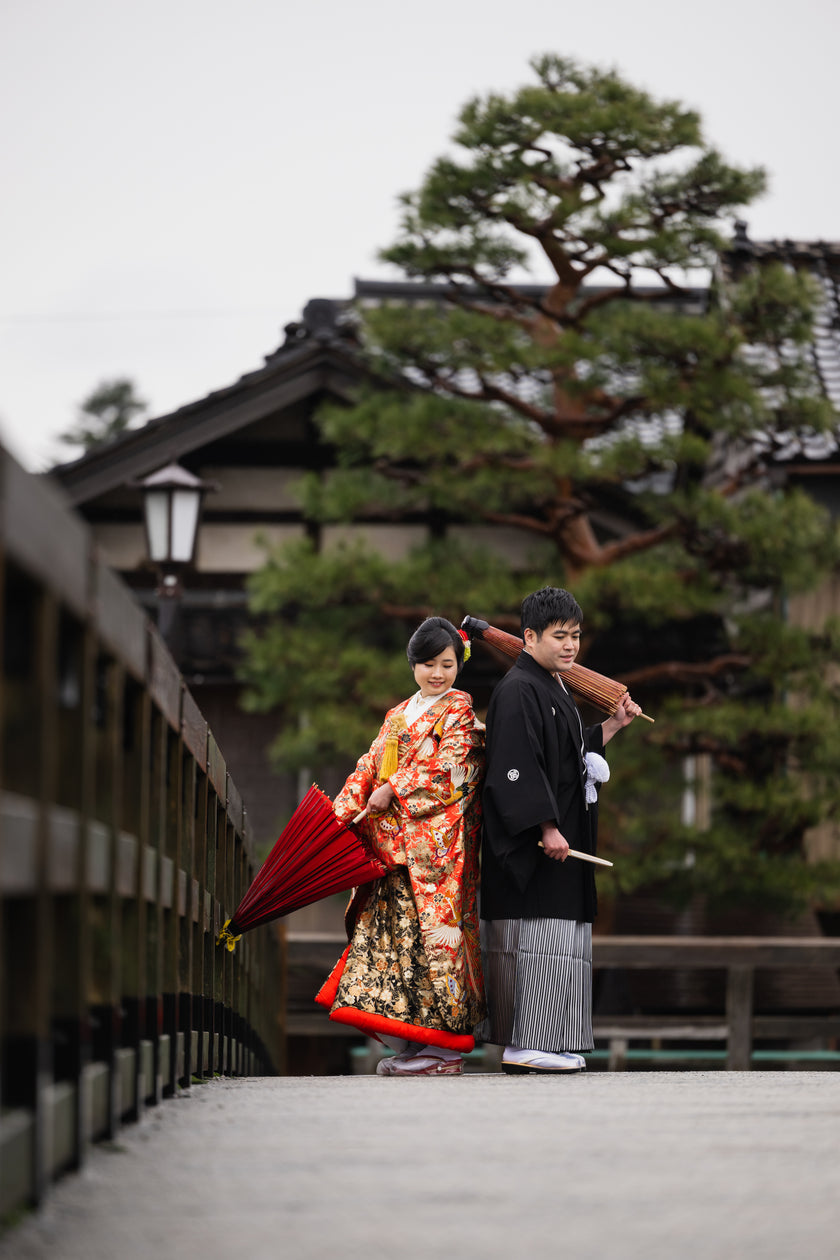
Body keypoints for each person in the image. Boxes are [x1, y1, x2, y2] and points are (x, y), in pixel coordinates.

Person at [478, 586, 641, 1074]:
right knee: (535, 937)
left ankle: (543, 1039)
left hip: (560, 841)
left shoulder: (553, 687)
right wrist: (545, 826)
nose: (570, 646)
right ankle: (524, 1041)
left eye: (575, 636)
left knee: (557, 940)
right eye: (559, 636)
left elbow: (569, 758)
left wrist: (612, 726)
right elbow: (514, 768)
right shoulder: (517, 689)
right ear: (528, 637)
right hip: (532, 847)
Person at [316, 616, 486, 1075]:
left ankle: (447, 1048)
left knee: (434, 941)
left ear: (459, 665)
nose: (437, 673)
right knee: (396, 942)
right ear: (412, 665)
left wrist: (396, 789)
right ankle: (413, 1043)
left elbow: (456, 770)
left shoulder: (460, 712)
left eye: (447, 664)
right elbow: (369, 765)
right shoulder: (398, 715)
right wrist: (338, 816)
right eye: (428, 664)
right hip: (393, 851)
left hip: (435, 853)